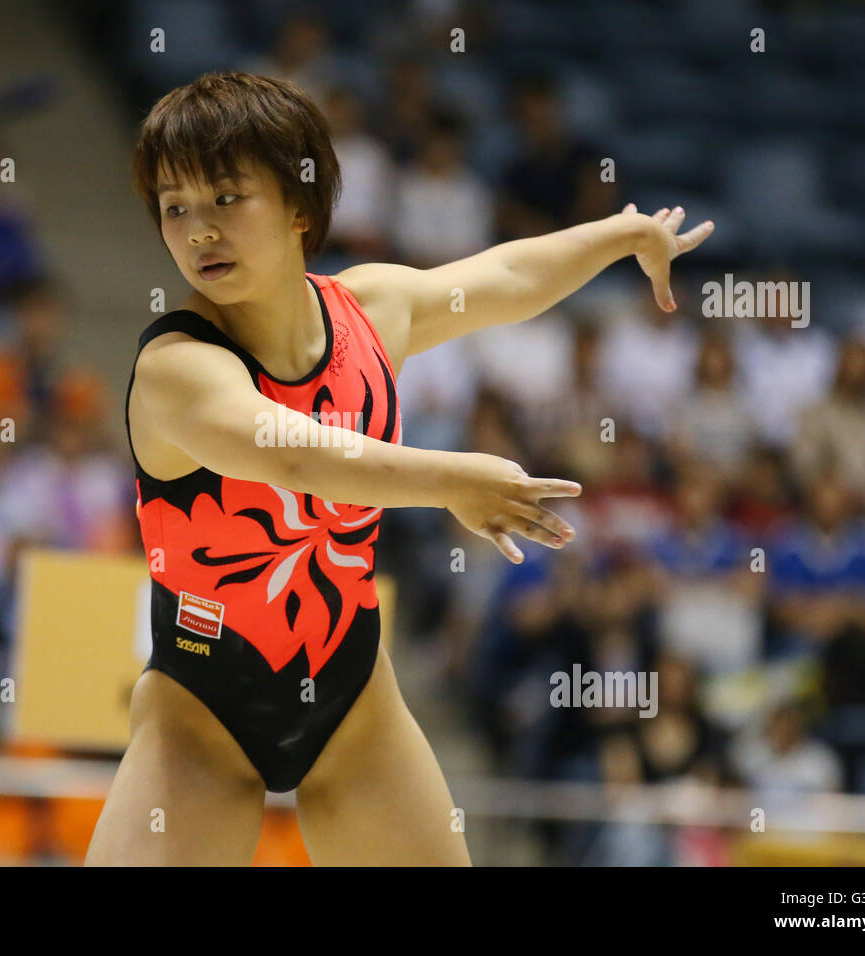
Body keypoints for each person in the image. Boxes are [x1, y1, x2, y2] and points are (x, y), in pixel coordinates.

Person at [88, 70, 712, 866]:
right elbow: (293, 453)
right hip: (202, 716)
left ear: (299, 207)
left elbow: (506, 281)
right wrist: (450, 480)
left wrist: (621, 236)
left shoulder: (372, 308)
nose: (198, 230)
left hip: (353, 700)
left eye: (225, 198)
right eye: (175, 208)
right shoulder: (178, 367)